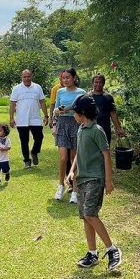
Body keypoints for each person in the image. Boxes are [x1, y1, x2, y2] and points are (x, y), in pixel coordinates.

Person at [68, 93, 122, 270]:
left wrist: (108, 180)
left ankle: (112, 250)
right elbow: (78, 154)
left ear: (82, 112)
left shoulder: (96, 131)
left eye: (75, 112)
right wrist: (72, 171)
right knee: (86, 217)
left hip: (95, 178)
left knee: (91, 214)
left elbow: (106, 155)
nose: (73, 115)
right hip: (82, 179)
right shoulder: (81, 129)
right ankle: (92, 254)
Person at [53, 68, 85, 203]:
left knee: (74, 158)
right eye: (63, 78)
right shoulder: (59, 92)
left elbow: (83, 110)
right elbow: (55, 109)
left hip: (76, 124)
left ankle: (75, 190)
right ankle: (61, 185)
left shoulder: (81, 92)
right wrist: (58, 112)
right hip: (62, 124)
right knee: (63, 158)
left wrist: (71, 109)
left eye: (68, 78)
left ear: (74, 78)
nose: (65, 80)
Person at [9, 69, 49, 169]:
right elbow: (13, 104)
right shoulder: (16, 88)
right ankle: (27, 160)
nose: (26, 79)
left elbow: (42, 102)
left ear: (32, 77)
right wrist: (11, 118)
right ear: (21, 77)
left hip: (35, 119)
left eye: (28, 76)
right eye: (24, 77)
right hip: (22, 120)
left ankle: (34, 152)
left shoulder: (37, 87)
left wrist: (46, 116)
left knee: (39, 137)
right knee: (24, 141)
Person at [89, 74, 125, 145]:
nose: (98, 84)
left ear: (104, 83)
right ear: (92, 83)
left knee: (105, 150)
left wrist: (119, 129)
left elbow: (113, 113)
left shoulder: (108, 97)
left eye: (100, 82)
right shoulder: (88, 97)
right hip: (91, 128)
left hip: (105, 128)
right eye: (96, 82)